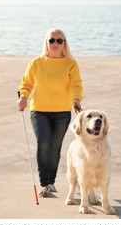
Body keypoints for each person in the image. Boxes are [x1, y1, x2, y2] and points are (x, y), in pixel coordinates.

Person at [17, 28, 83, 197]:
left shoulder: (70, 64)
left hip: (62, 111)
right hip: (39, 110)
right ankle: (44, 183)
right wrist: (24, 97)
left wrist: (76, 99)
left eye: (59, 40)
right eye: (52, 40)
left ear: (64, 43)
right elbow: (26, 83)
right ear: (46, 42)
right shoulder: (36, 63)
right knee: (43, 142)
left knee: (55, 148)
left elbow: (76, 84)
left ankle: (51, 182)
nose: (55, 43)